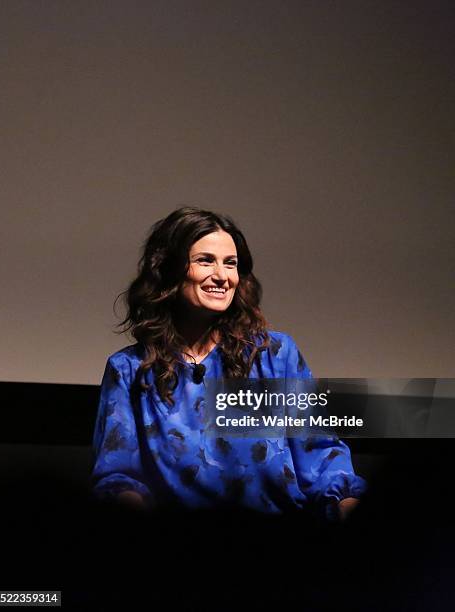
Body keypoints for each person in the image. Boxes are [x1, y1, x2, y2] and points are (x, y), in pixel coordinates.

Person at [91, 206, 366, 521]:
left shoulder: (274, 355)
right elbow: (119, 477)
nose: (222, 276)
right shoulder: (129, 370)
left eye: (230, 264)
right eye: (205, 261)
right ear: (169, 270)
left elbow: (321, 456)